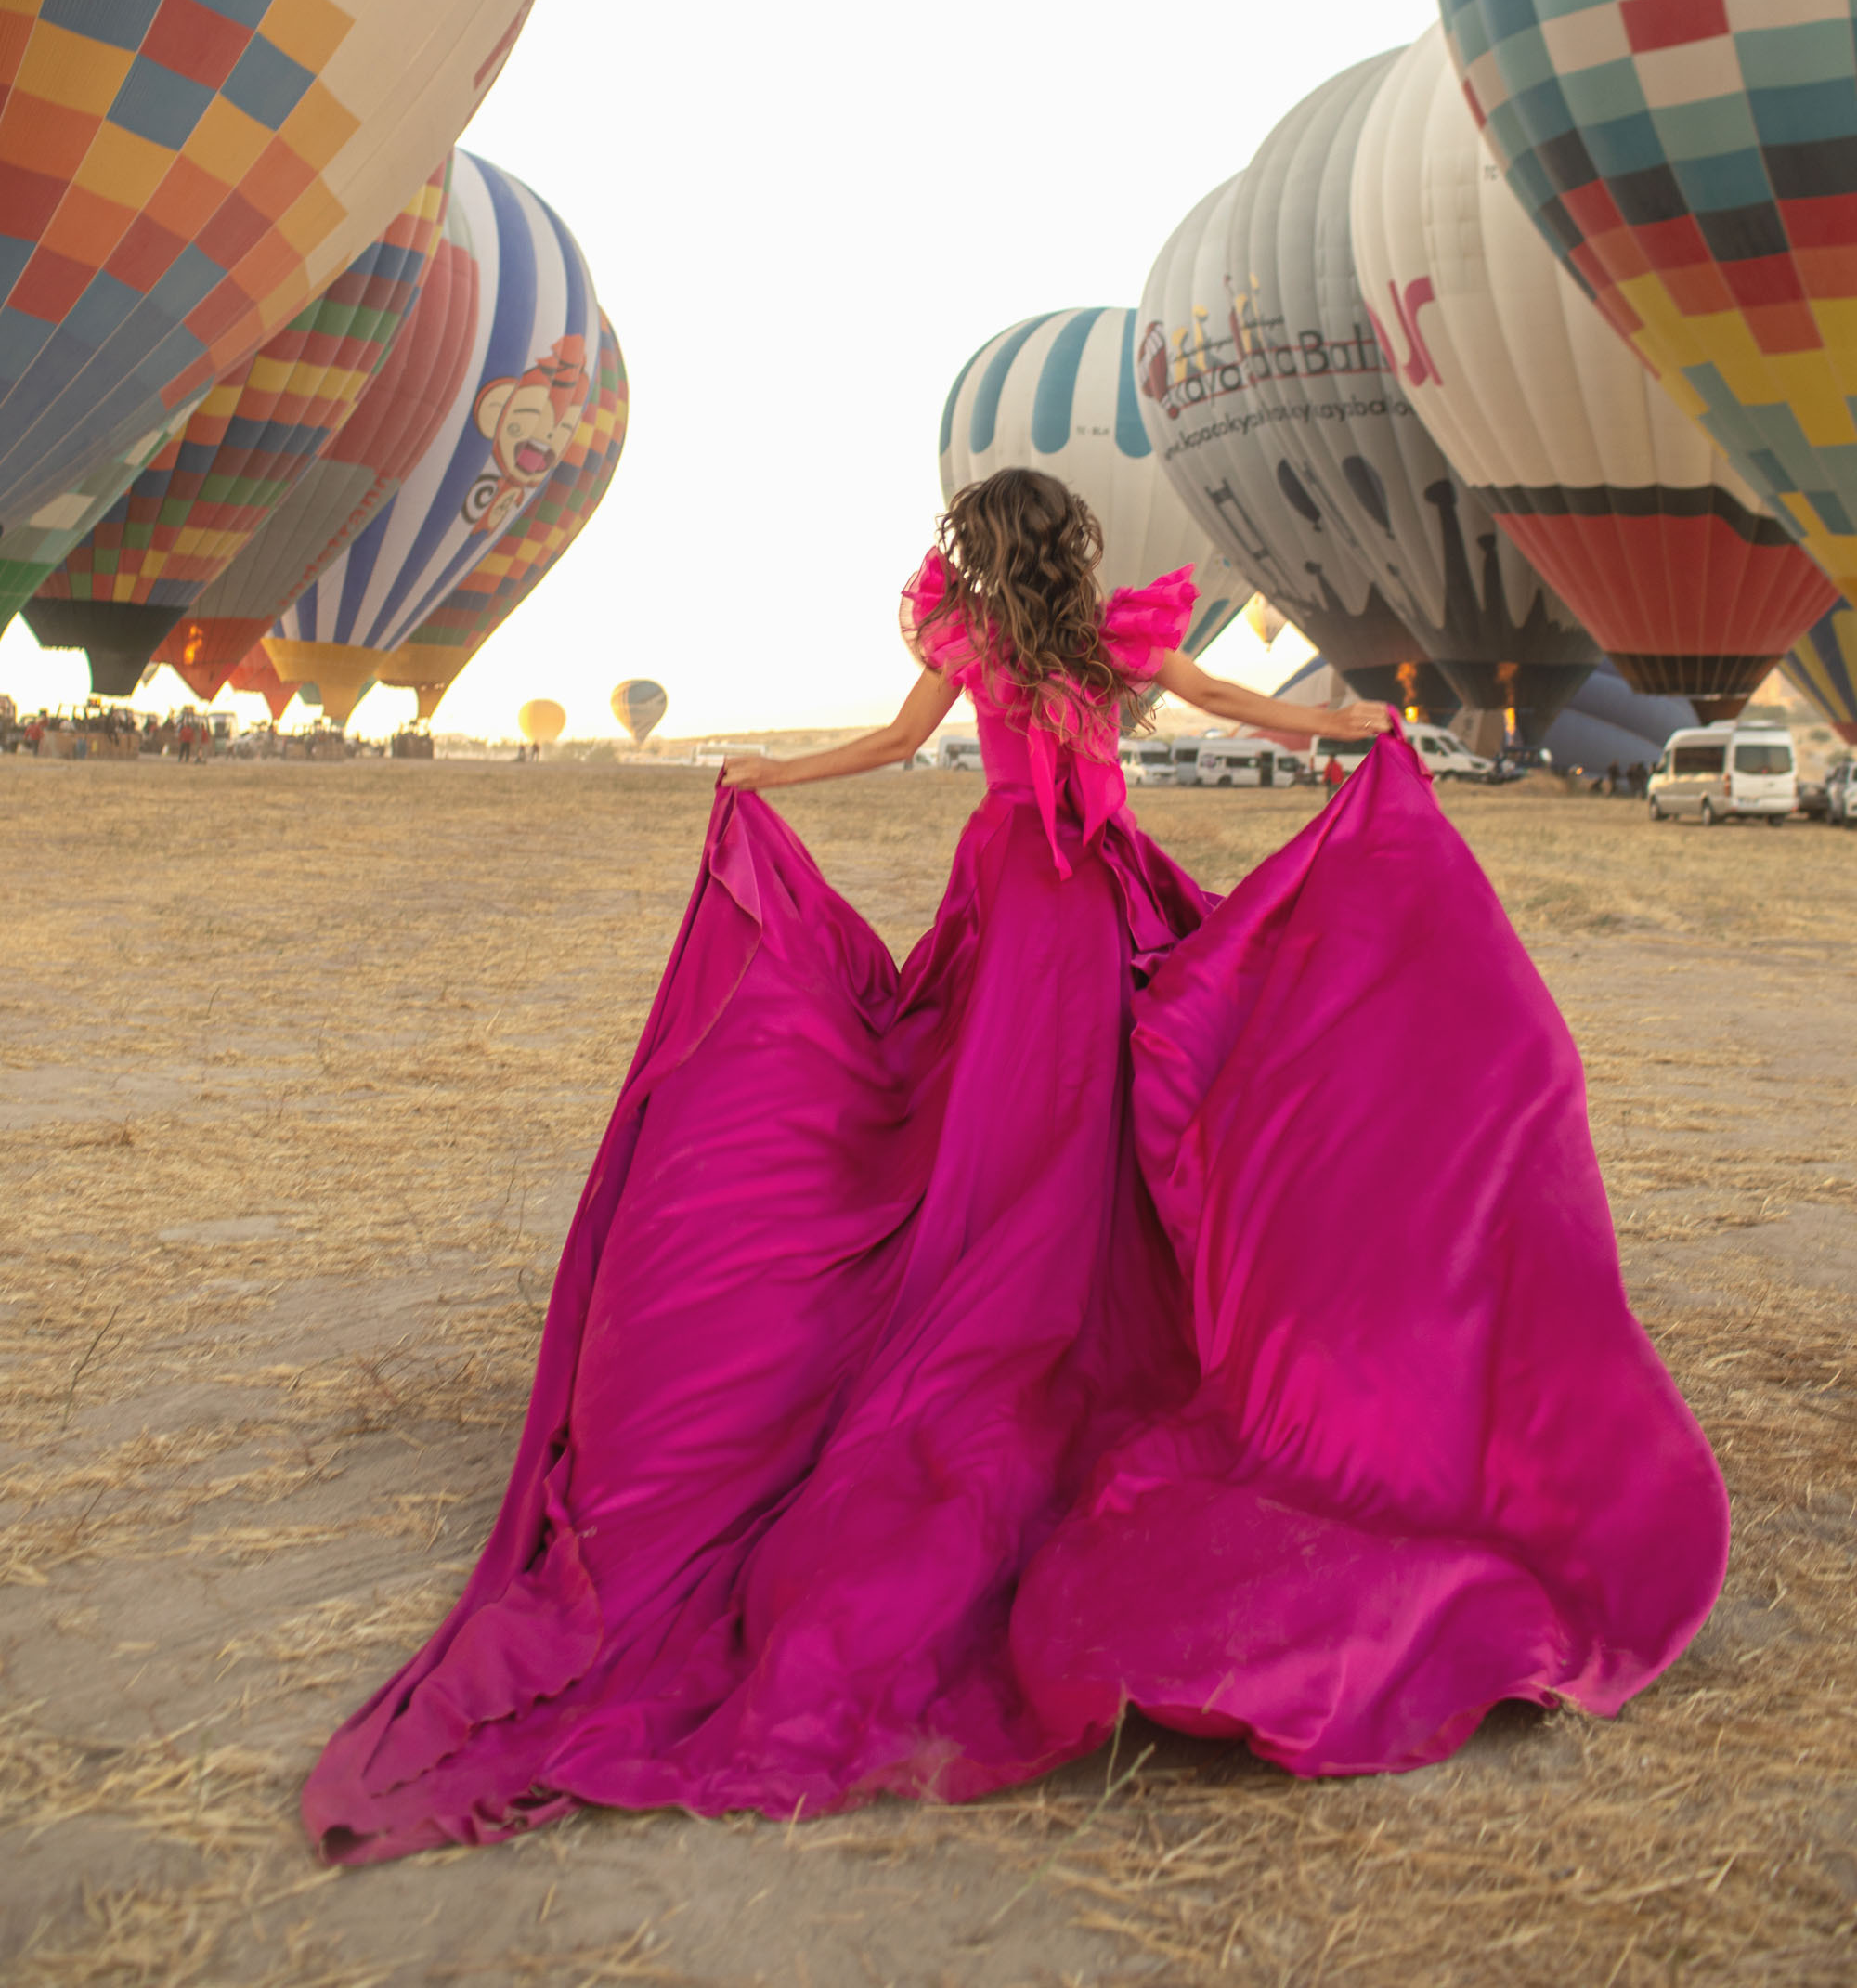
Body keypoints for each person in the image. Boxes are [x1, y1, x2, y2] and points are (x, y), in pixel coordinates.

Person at [303, 469, 1727, 1865]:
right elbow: (1230, 707)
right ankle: (1116, 1280)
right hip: (1080, 895)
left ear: (984, 551)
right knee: (1116, 1094)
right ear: (1076, 548)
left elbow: (888, 744)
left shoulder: (973, 640)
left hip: (1031, 893)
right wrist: (1336, 728)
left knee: (998, 1100)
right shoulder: (1113, 641)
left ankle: (1027, 1262)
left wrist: (768, 774)